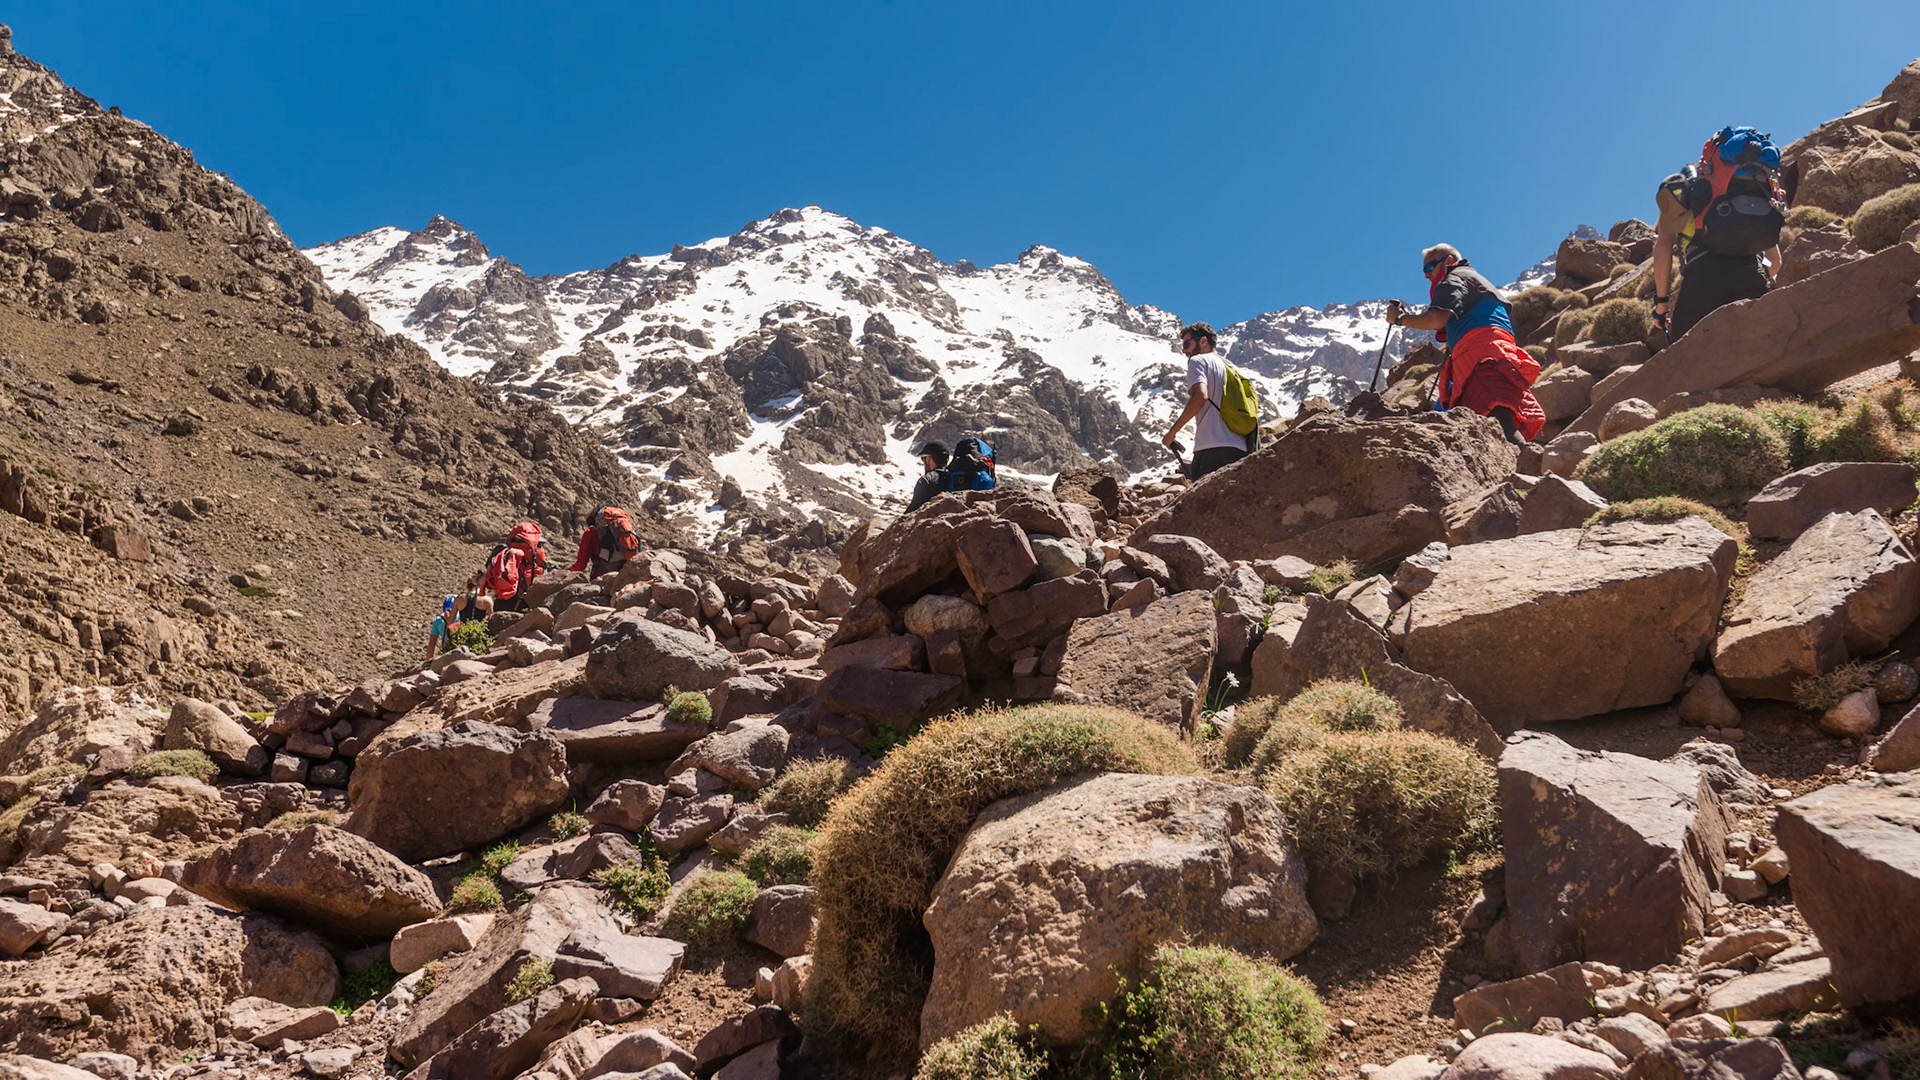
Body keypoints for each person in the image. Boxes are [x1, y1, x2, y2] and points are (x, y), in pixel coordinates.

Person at [1386, 245, 1545, 445]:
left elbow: (1436, 319)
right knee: (1493, 414)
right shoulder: (1474, 280)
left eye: (1429, 268)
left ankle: (1527, 462)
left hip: (1480, 355)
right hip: (1497, 351)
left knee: (1496, 414)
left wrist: (1400, 319)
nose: (1426, 275)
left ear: (1448, 261)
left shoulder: (1453, 278)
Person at [1653, 127, 1786, 340]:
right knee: (1761, 344)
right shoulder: (1746, 194)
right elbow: (1776, 262)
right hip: (1751, 273)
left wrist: (1661, 303)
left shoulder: (1684, 194)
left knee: (1687, 352)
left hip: (1702, 277)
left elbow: (1663, 246)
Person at [1160, 322, 1248, 480]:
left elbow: (1200, 396)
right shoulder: (1232, 368)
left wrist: (1172, 433)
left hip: (1211, 448)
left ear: (1203, 341)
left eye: (1187, 344)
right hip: (1240, 449)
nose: (1184, 350)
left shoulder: (1198, 361)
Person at [483, 521, 546, 612]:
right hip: (530, 601)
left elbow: (488, 577)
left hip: (505, 600)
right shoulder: (536, 556)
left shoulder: (503, 553)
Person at [567, 505, 643, 579]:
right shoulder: (624, 530)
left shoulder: (591, 533)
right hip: (629, 576)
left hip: (603, 578)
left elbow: (580, 565)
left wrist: (565, 573)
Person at [906, 440, 950, 512]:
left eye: (924, 458)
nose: (923, 461)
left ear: (930, 458)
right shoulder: (955, 477)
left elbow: (912, 511)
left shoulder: (926, 480)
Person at [426, 594, 457, 661]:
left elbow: (432, 644)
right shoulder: (461, 617)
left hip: (446, 653)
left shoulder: (438, 620)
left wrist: (428, 662)